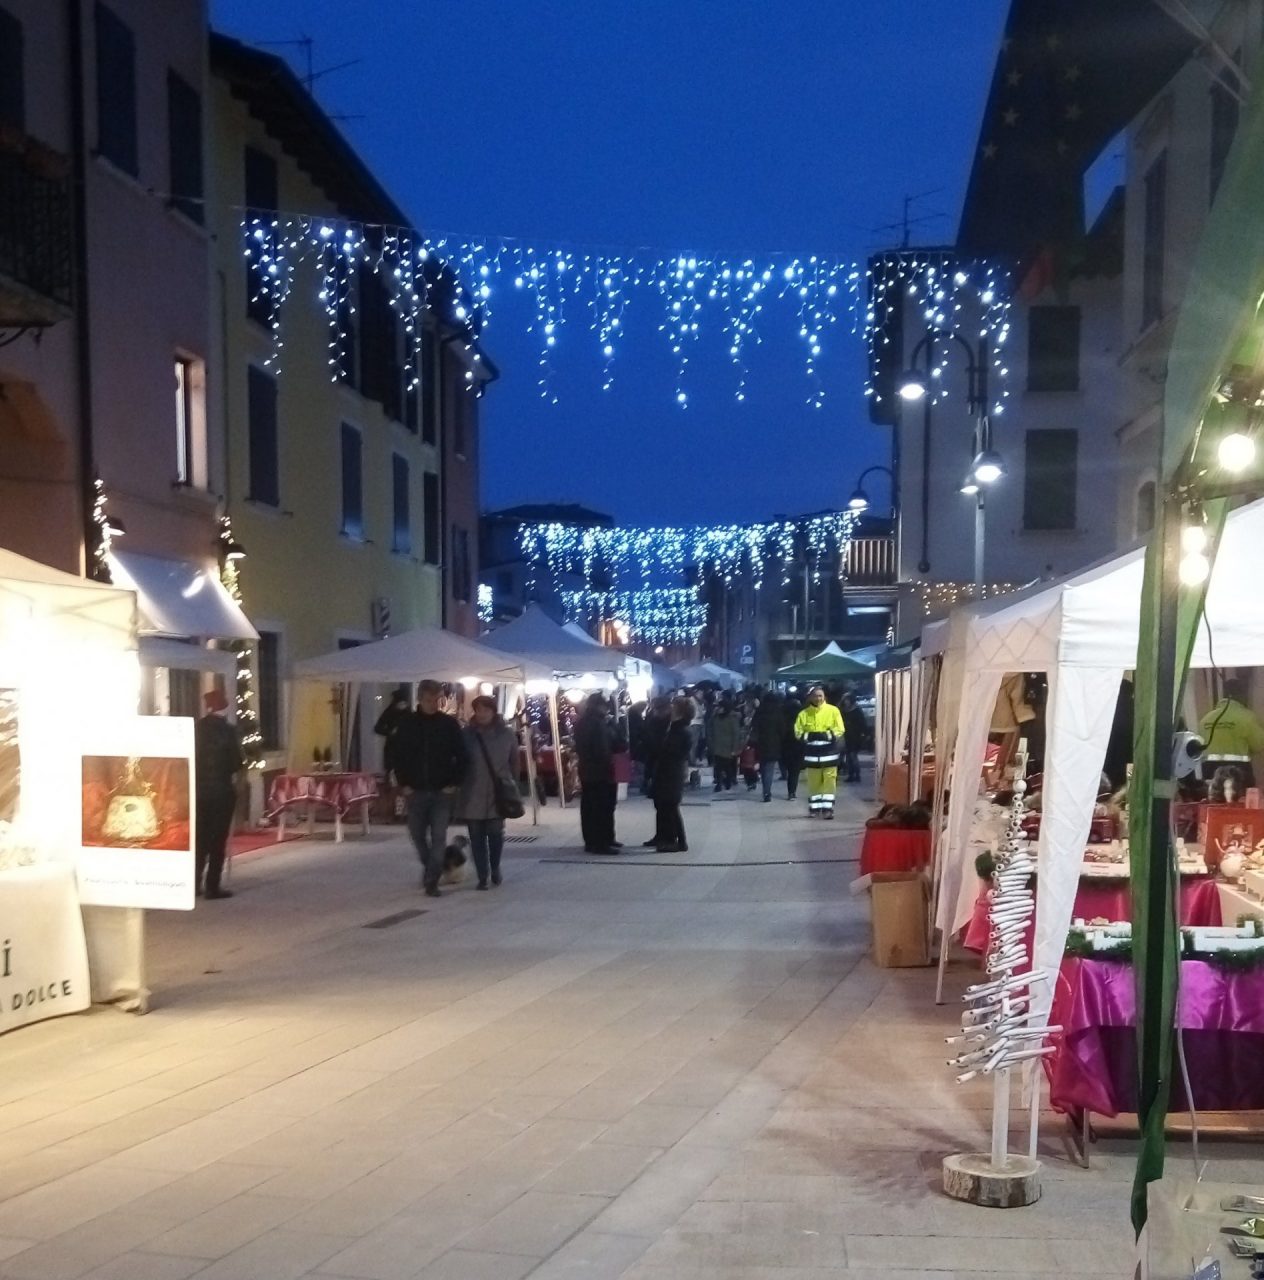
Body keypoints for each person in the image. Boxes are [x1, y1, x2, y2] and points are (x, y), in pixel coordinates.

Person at [391, 680, 466, 896]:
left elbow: (461, 756)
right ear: (420, 699)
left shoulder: (448, 725)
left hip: (442, 791)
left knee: (439, 836)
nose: (433, 704)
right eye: (428, 700)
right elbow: (397, 756)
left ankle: (432, 879)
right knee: (416, 835)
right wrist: (404, 783)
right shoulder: (407, 724)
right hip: (415, 791)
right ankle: (433, 866)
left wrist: (454, 782)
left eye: (436, 700)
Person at [458, 695, 518, 890]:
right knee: (476, 837)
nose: (482, 714)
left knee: (495, 834)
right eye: (478, 710)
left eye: (486, 710)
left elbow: (514, 762)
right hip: (472, 791)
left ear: (493, 711)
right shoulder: (466, 735)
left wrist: (512, 785)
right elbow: (458, 761)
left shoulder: (506, 734)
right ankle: (482, 875)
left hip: (497, 792)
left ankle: (495, 866)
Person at [194, 689, 243, 900]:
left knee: (200, 839)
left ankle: (194, 883)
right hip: (222, 791)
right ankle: (212, 886)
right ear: (225, 706)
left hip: (199, 792)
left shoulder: (197, 729)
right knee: (218, 839)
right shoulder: (228, 731)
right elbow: (236, 762)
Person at [574, 693, 622, 853]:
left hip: (589, 770)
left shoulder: (584, 722)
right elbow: (602, 749)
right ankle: (601, 842)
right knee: (601, 807)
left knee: (591, 807)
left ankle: (597, 839)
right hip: (600, 771)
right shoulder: (597, 723)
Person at [1200, 675, 1264, 789]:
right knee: (1240, 800)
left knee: (1213, 798)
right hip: (1238, 772)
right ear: (1241, 695)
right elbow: (1259, 745)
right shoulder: (1247, 717)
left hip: (1209, 771)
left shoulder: (1206, 719)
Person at [794, 686, 845, 818]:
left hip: (829, 755)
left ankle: (828, 809)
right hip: (812, 756)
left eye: (820, 695)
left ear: (824, 697)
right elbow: (798, 731)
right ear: (810, 697)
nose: (818, 698)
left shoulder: (833, 711)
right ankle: (814, 808)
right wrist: (809, 736)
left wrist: (827, 735)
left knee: (829, 783)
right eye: (815, 696)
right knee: (813, 783)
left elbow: (840, 728)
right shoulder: (803, 714)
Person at [653, 697, 694, 852]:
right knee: (667, 805)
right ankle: (668, 838)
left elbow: (673, 751)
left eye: (674, 707)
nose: (671, 709)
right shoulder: (675, 727)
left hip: (672, 772)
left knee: (671, 805)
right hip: (669, 770)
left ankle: (680, 841)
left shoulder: (681, 730)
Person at [750, 692, 785, 803]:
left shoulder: (759, 712)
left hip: (760, 744)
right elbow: (782, 729)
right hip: (774, 744)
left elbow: (753, 726)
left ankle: (764, 788)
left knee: (763, 767)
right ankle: (766, 792)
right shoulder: (778, 712)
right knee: (769, 769)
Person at [708, 695, 742, 792]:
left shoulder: (732, 719)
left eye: (720, 707)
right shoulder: (715, 718)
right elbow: (709, 728)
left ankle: (728, 781)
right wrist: (710, 743)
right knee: (718, 767)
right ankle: (719, 783)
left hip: (728, 747)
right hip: (717, 746)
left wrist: (734, 748)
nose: (718, 708)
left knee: (727, 766)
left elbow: (736, 734)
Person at [840, 693, 867, 784]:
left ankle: (857, 775)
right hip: (847, 735)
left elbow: (862, 724)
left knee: (853, 756)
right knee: (849, 756)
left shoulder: (857, 711)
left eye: (847, 700)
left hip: (855, 736)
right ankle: (851, 774)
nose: (845, 702)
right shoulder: (844, 711)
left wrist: (863, 734)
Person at [781, 694, 803, 801]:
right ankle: (792, 792)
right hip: (798, 747)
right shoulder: (802, 718)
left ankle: (791, 790)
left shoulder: (783, 717)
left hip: (786, 746)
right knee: (795, 771)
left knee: (790, 769)